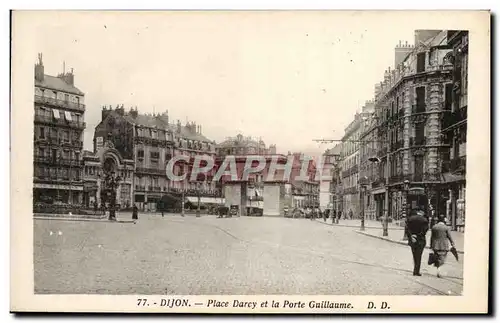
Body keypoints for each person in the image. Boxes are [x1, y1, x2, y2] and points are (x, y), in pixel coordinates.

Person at [405, 209, 429, 276]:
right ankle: (416, 271)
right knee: (419, 255)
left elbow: (407, 229)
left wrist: (411, 236)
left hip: (412, 239)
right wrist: (418, 235)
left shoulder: (410, 219)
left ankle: (415, 270)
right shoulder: (424, 220)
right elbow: (425, 230)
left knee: (414, 255)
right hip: (420, 240)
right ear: (421, 212)